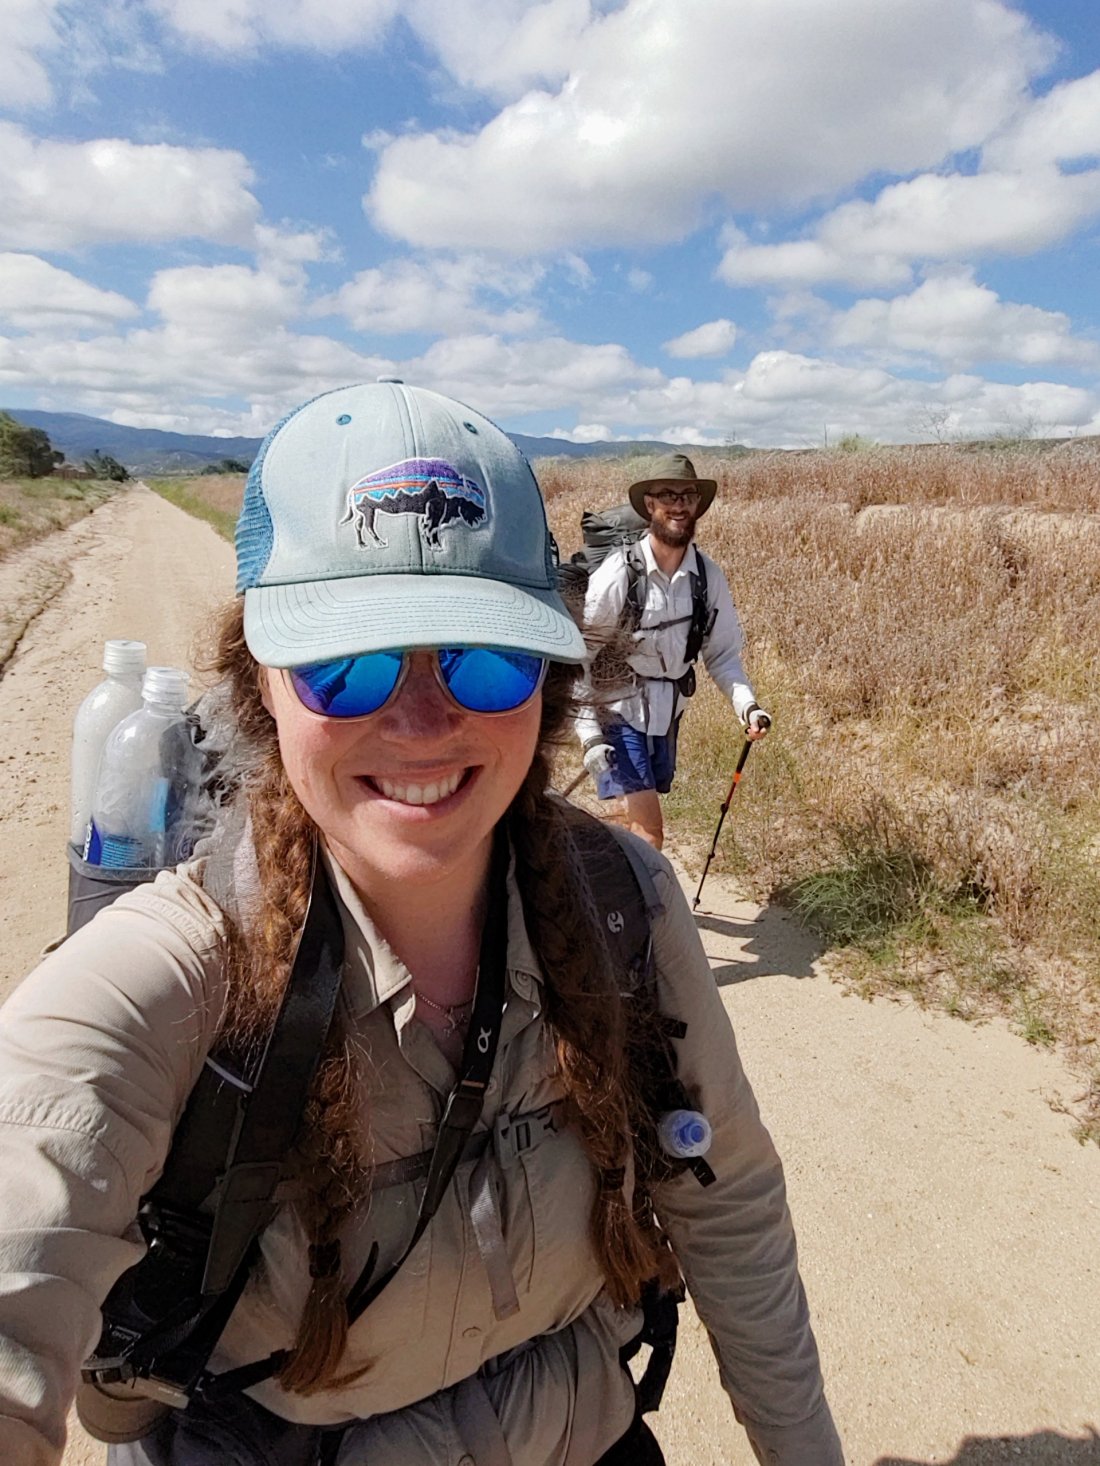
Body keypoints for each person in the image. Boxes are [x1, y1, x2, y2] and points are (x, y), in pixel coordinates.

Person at [0, 382, 842, 1466]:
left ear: (549, 683)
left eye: (484, 659)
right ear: (259, 682)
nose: (421, 721)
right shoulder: (167, 977)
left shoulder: (624, 898)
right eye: (343, 668)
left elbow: (729, 1207)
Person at [575, 454, 770, 850]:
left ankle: (608, 879)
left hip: (667, 715)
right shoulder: (620, 572)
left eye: (688, 496)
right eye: (668, 495)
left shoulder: (707, 577)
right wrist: (590, 736)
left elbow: (722, 655)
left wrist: (748, 707)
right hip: (618, 710)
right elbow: (581, 657)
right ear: (650, 505)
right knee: (651, 832)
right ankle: (648, 892)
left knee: (632, 826)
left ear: (697, 505)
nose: (679, 505)